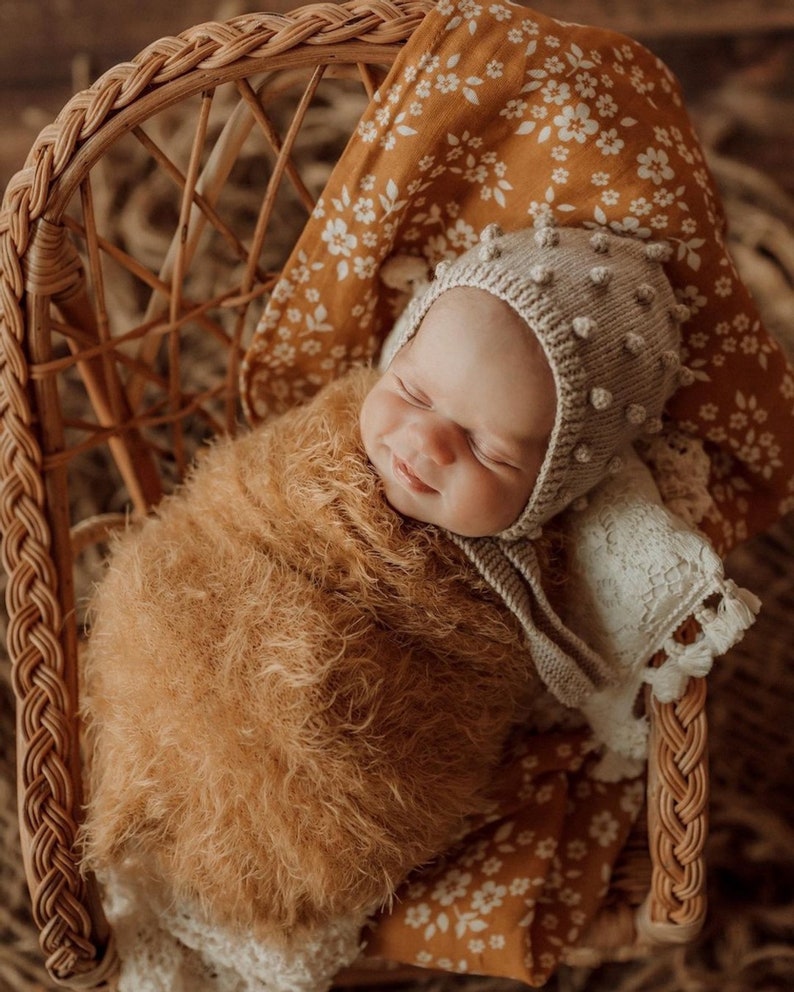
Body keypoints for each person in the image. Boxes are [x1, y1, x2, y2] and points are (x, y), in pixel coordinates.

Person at [80, 223, 694, 991]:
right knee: (159, 600)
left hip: (330, 783)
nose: (424, 442)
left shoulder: (523, 576)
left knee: (340, 780)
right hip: (200, 634)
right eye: (411, 390)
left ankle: (232, 865)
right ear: (397, 349)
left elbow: (505, 694)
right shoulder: (327, 432)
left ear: (549, 490)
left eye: (486, 448)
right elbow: (219, 511)